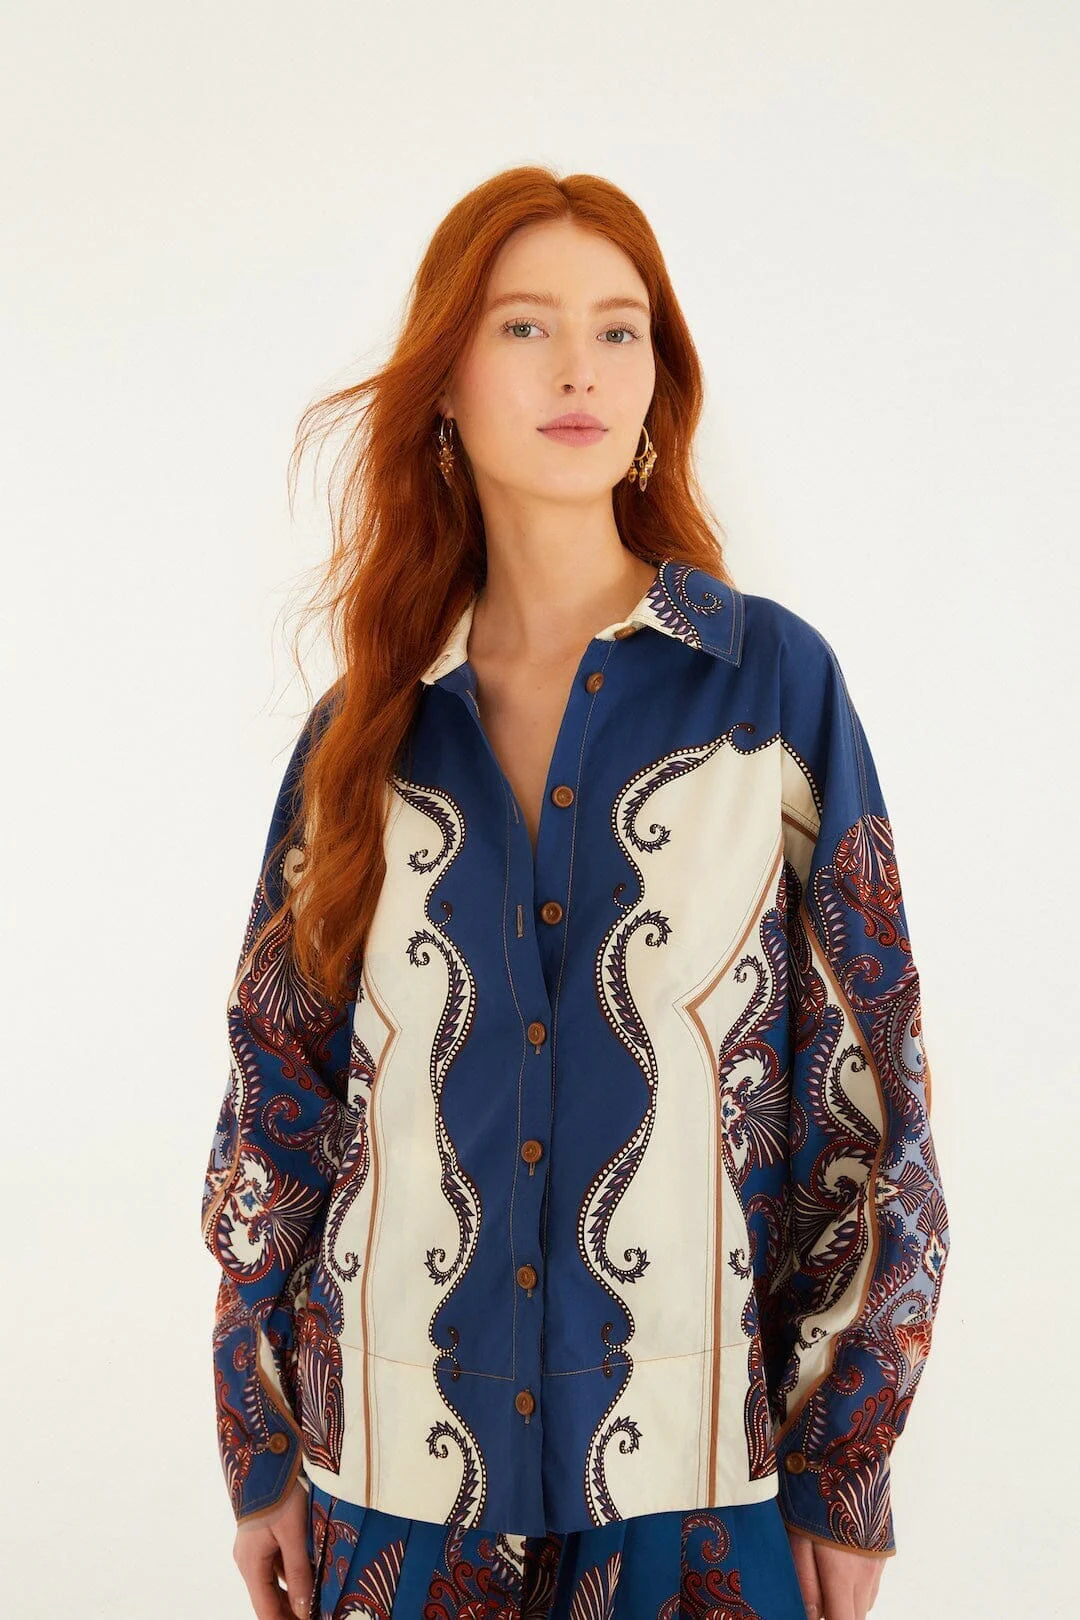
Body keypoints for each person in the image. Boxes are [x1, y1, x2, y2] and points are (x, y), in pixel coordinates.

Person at [200, 166, 950, 1620]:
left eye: (619, 330)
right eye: (525, 326)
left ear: (659, 378)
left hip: (699, 1496)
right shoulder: (365, 733)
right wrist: (261, 1441)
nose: (579, 370)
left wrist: (846, 1463)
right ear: (445, 380)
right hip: (395, 1494)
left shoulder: (770, 691)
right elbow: (275, 1101)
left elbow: (872, 1091)